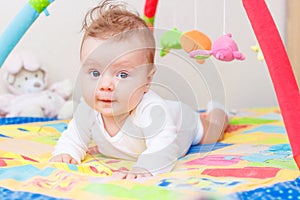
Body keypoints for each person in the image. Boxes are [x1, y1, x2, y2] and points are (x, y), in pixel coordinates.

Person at [49, 0, 229, 179]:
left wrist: (146, 168)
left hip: (182, 122)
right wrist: (66, 153)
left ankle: (219, 112)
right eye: (95, 72)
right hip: (169, 113)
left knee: (213, 132)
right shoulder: (87, 108)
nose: (105, 85)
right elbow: (74, 137)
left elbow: (164, 146)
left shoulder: (152, 110)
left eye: (122, 75)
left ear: (148, 80)